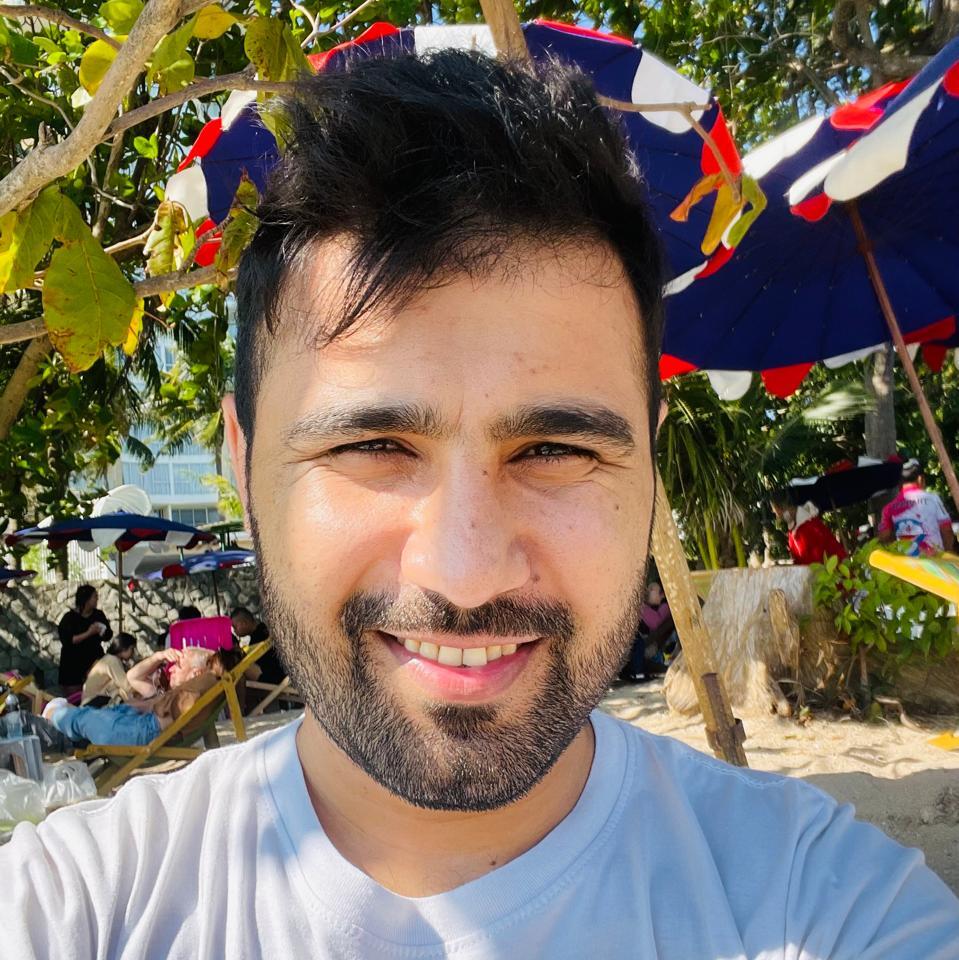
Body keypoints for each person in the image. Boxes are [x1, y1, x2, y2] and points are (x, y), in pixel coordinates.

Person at [3, 52, 957, 958]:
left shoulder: (823, 906)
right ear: (245, 465)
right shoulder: (77, 911)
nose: (463, 574)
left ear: (649, 464)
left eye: (555, 451)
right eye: (371, 447)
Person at [41, 647, 241, 749]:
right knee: (83, 718)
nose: (172, 668)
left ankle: (52, 714)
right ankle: (51, 719)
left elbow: (160, 716)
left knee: (83, 719)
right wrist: (158, 657)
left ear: (196, 674)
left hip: (140, 730)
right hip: (133, 721)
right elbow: (133, 678)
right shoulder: (198, 691)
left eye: (179, 665)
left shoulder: (193, 693)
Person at [878, 459, 955, 555]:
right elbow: (946, 529)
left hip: (907, 562)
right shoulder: (932, 499)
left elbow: (884, 537)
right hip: (934, 560)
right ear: (920, 479)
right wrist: (948, 552)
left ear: (900, 483)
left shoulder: (888, 508)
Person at [55, 584, 113, 694]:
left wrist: (102, 631)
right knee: (75, 696)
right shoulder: (69, 618)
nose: (97, 599)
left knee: (96, 692)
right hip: (73, 662)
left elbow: (108, 635)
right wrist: (89, 633)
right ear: (86, 599)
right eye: (94, 597)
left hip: (93, 658)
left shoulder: (98, 615)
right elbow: (68, 640)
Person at [771, 494, 848, 566]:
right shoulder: (793, 531)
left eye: (777, 512)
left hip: (829, 572)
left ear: (786, 507)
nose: (778, 517)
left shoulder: (811, 525)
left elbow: (817, 560)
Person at [80, 632, 137, 706]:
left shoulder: (108, 658)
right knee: (125, 693)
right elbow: (127, 686)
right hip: (93, 702)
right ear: (124, 648)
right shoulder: (112, 661)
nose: (133, 652)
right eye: (132, 649)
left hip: (91, 701)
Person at [231, 606, 284, 684]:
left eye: (235, 627)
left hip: (275, 680)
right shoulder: (266, 628)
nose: (235, 631)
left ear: (244, 623)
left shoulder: (256, 640)